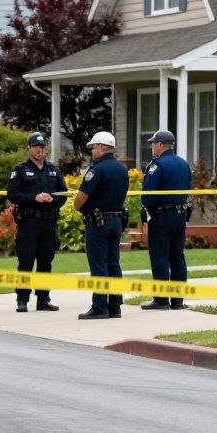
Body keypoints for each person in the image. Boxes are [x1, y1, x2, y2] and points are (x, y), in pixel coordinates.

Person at [6, 131, 67, 313]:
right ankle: (22, 299)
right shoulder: (20, 170)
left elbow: (63, 194)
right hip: (29, 221)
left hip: (48, 221)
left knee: (45, 261)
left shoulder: (53, 170)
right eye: (36, 147)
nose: (39, 150)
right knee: (25, 261)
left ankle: (43, 299)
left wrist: (52, 200)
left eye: (42, 147)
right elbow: (12, 194)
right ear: (29, 149)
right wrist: (34, 198)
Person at [74, 131, 129, 320]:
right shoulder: (122, 169)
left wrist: (78, 207)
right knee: (114, 264)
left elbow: (81, 198)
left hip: (98, 223)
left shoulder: (96, 170)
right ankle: (115, 306)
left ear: (101, 147)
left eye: (93, 147)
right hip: (116, 221)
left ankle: (99, 307)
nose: (92, 151)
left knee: (99, 265)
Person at [138, 130, 193, 311]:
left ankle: (161, 300)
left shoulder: (157, 166)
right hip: (179, 215)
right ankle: (177, 300)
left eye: (154, 144)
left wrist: (146, 210)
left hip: (161, 216)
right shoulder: (183, 164)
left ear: (161, 145)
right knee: (177, 256)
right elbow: (189, 188)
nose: (152, 147)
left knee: (160, 256)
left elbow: (148, 196)